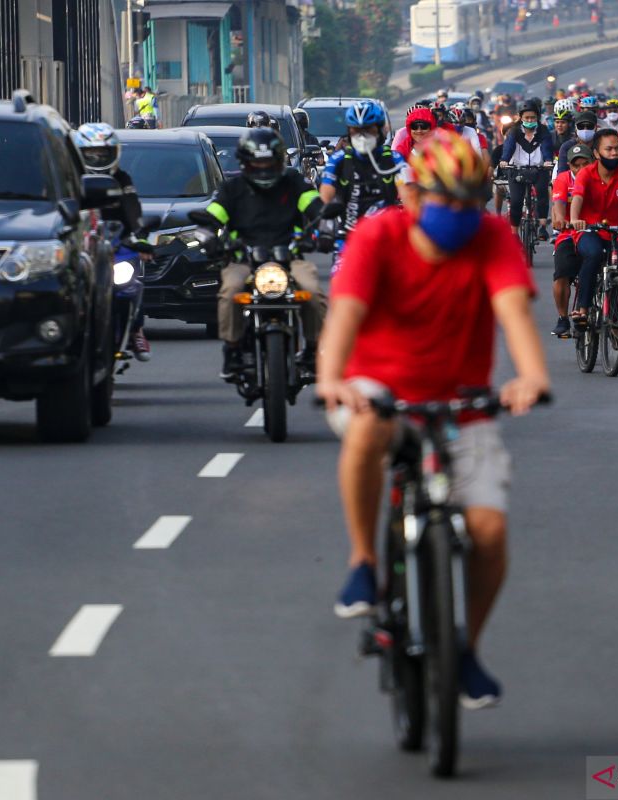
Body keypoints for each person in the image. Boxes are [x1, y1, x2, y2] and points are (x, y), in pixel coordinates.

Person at [317, 128, 550, 709]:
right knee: (369, 432)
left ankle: (464, 648)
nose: (461, 213)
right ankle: (363, 562)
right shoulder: (379, 236)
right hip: (379, 394)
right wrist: (331, 380)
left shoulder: (493, 238)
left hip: (462, 404)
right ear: (416, 196)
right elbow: (344, 314)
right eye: (448, 200)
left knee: (490, 531)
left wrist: (530, 376)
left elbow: (512, 311)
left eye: (472, 201)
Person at [207, 128, 326, 378]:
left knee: (312, 292)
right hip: (243, 260)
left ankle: (313, 349)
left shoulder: (293, 182)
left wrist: (325, 226)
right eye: (257, 162)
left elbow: (315, 207)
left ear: (279, 160)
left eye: (268, 161)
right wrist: (206, 236)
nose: (263, 167)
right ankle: (233, 348)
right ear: (245, 162)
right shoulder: (233, 188)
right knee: (230, 292)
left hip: (290, 258)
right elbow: (213, 216)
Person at [73, 123, 152, 360]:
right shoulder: (70, 177)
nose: (97, 158)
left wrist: (140, 237)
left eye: (102, 154)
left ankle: (137, 328)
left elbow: (132, 208)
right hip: (80, 245)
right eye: (91, 154)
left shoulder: (121, 178)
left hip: (117, 242)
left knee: (131, 282)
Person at [319, 100, 405, 274]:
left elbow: (410, 195)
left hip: (386, 239)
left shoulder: (394, 159)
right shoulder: (339, 159)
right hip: (348, 238)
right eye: (356, 131)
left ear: (381, 130)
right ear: (349, 132)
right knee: (340, 281)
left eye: (369, 130)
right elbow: (325, 197)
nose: (362, 136)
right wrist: (324, 227)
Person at [569, 128, 618, 332]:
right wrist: (574, 219)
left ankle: (615, 318)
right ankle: (583, 308)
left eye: (617, 148)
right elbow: (578, 197)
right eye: (609, 149)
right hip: (589, 231)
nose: (615, 153)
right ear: (597, 154)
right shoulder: (585, 174)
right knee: (594, 254)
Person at [550, 143, 594, 337]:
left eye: (586, 164)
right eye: (577, 165)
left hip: (595, 233)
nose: (581, 169)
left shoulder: (599, 178)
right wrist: (561, 220)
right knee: (562, 274)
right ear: (570, 166)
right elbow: (558, 206)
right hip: (569, 234)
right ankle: (563, 318)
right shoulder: (562, 179)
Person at [499, 100, 556, 240]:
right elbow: (509, 147)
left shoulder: (543, 131)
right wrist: (504, 160)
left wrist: (548, 160)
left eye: (533, 118)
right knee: (516, 201)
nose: (530, 120)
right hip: (517, 170)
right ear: (521, 118)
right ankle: (514, 234)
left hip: (539, 169)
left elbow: (547, 148)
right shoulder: (514, 131)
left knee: (542, 192)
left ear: (537, 118)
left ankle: (542, 226)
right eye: (527, 118)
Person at [556, 110, 597, 175]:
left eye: (589, 126)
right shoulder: (566, 147)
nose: (585, 129)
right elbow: (562, 174)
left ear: (596, 127)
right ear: (575, 128)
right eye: (581, 126)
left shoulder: (601, 145)